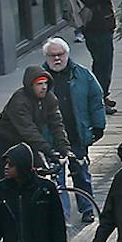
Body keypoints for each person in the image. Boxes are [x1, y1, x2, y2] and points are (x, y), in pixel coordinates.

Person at [41, 39, 105, 221]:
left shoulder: (82, 75)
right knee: (56, 179)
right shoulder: (39, 78)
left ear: (67, 54)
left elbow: (96, 100)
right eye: (52, 55)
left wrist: (98, 126)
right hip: (51, 139)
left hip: (76, 136)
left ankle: (87, 209)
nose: (57, 59)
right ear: (47, 57)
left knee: (81, 174)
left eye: (60, 54)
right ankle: (62, 216)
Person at [67, 0, 122, 98]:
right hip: (98, 29)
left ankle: (101, 95)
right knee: (103, 66)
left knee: (100, 64)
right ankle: (99, 97)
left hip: (94, 28)